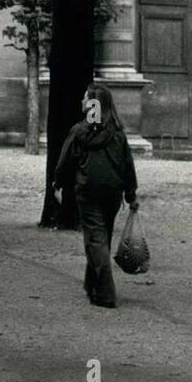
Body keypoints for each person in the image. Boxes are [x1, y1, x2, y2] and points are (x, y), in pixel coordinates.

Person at [53, 84, 139, 309]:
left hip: (88, 190)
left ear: (93, 105)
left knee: (95, 240)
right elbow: (127, 166)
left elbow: (65, 160)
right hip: (113, 192)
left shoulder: (79, 132)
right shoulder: (117, 133)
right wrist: (131, 195)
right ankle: (92, 285)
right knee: (102, 238)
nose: (82, 101)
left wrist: (58, 183)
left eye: (85, 98)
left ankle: (105, 293)